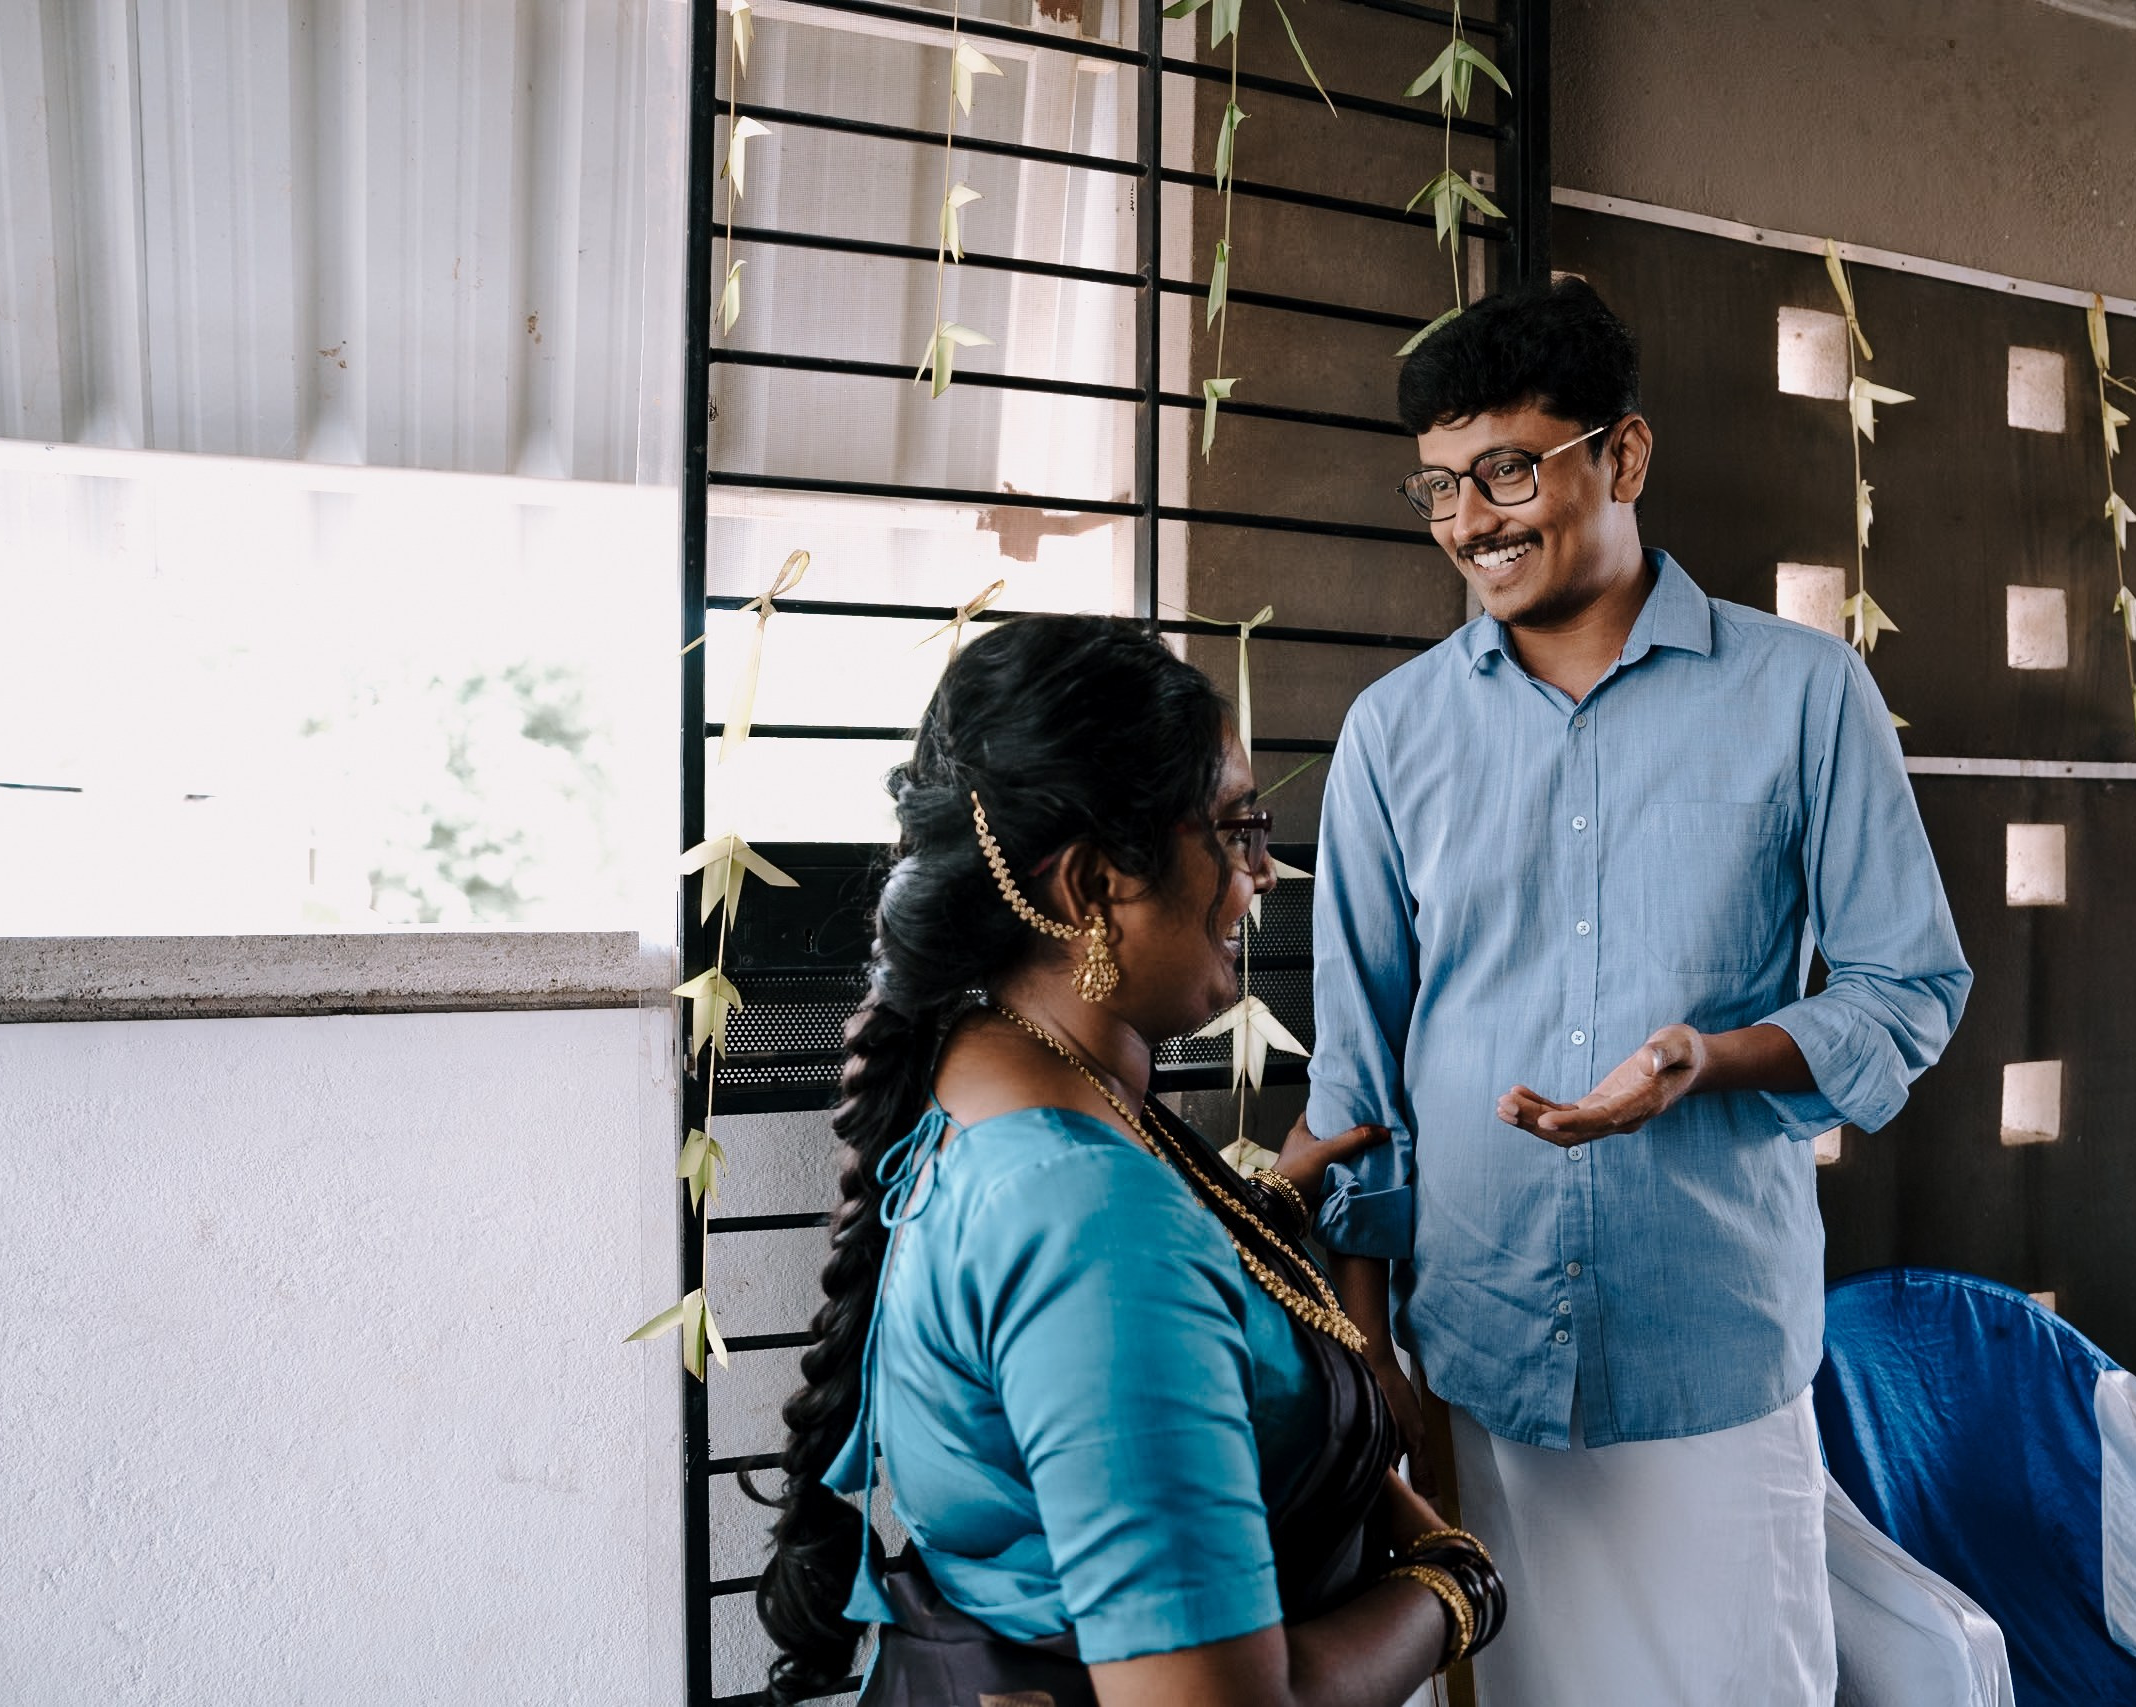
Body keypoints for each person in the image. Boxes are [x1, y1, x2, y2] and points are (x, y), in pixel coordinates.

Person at [1292, 277, 1972, 1705]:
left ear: (1625, 456)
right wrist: (1374, 1377)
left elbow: (1909, 985)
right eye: (1440, 486)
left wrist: (1707, 1060)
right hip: (1474, 1366)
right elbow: (1354, 1093)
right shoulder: (1391, 737)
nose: (1472, 520)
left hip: (1711, 1356)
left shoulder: (1804, 694)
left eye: (1508, 470)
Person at [751, 615, 1506, 1707]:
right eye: (1234, 830)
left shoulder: (1003, 1075)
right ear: (1089, 888)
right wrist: (1455, 1588)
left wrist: (1256, 1220)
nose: (1264, 874)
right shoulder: (1094, 1223)